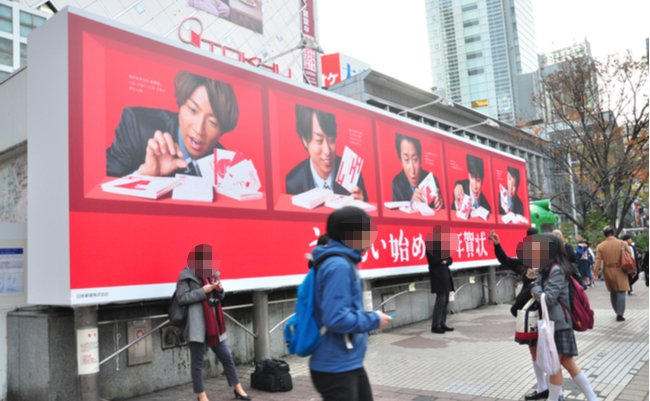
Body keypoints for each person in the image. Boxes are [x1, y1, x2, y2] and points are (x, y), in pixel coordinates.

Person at [309, 206, 393, 401]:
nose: (372, 237)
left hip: (348, 361)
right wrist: (373, 319)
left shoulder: (343, 262)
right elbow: (335, 318)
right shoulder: (338, 266)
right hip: (335, 366)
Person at [107, 71, 240, 177]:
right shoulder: (136, 124)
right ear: (180, 105)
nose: (199, 130)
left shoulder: (225, 165)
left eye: (213, 122)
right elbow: (102, 188)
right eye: (193, 110)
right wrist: (143, 175)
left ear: (222, 130)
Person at [176, 244, 251, 401]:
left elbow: (220, 297)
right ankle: (201, 395)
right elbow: (182, 298)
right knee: (197, 362)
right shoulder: (185, 276)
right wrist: (204, 290)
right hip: (197, 324)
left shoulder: (213, 274)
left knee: (226, 356)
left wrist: (220, 290)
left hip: (214, 324)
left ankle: (238, 387)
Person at [528, 234, 598, 401]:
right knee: (568, 363)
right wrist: (537, 278)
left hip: (558, 324)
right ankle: (593, 398)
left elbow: (549, 297)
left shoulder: (557, 270)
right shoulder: (549, 268)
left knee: (554, 367)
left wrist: (534, 288)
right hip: (557, 322)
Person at [489, 227, 556, 401]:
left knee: (551, 350)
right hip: (529, 315)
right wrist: (497, 245)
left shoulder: (550, 264)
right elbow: (504, 260)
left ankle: (557, 391)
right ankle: (543, 387)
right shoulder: (523, 263)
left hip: (547, 312)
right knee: (534, 349)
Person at [285, 105, 367, 200]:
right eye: (319, 141)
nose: (327, 151)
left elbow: (368, 213)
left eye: (331, 140)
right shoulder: (294, 182)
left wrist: (362, 204)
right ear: (305, 141)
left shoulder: (351, 173)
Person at [391, 133, 444, 210]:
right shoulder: (397, 182)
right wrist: (411, 203)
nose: (412, 169)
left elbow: (443, 216)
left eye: (415, 159)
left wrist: (440, 205)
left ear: (420, 158)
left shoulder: (432, 179)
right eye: (406, 160)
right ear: (401, 161)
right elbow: (395, 216)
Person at [594, 226, 633, 321]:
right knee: (621, 292)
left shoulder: (601, 246)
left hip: (608, 270)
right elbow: (630, 257)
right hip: (620, 269)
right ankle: (620, 313)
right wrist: (632, 270)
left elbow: (598, 261)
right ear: (614, 233)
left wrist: (595, 273)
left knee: (613, 292)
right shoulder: (622, 243)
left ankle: (616, 311)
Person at [426, 225, 455, 334]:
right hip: (438, 277)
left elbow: (450, 260)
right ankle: (435, 325)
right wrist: (443, 260)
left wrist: (445, 261)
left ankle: (442, 323)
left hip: (446, 276)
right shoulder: (430, 246)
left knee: (446, 301)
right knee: (440, 301)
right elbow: (434, 260)